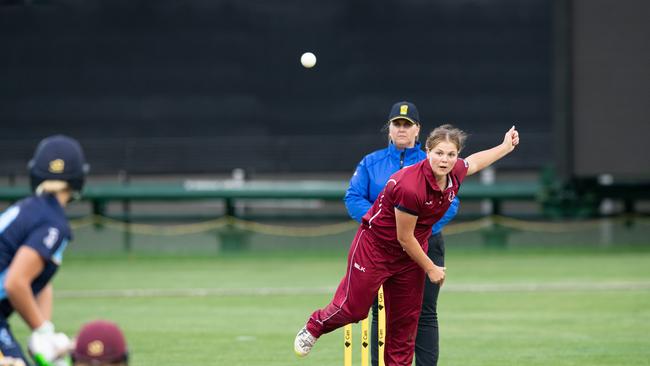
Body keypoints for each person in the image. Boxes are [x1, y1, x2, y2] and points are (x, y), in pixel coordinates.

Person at [295, 124, 520, 365]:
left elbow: (474, 162)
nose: (445, 160)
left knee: (404, 325)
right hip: (376, 248)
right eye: (439, 153)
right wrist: (431, 267)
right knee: (354, 309)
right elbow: (404, 237)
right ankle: (314, 325)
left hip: (409, 257)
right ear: (427, 152)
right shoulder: (410, 185)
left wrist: (505, 147)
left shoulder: (454, 172)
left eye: (451, 154)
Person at [344, 101, 459, 366]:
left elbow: (451, 202)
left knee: (425, 313)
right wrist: (386, 224)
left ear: (418, 130)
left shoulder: (432, 159)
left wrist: (418, 229)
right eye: (397, 124)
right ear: (389, 129)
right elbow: (353, 197)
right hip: (381, 248)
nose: (402, 129)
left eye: (408, 125)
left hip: (426, 244)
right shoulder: (371, 162)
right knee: (379, 313)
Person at [0, 135, 89, 366]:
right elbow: (15, 282)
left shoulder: (29, 208)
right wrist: (42, 331)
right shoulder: (53, 222)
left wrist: (43, 332)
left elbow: (38, 279)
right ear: (78, 178)